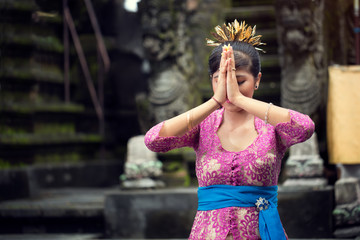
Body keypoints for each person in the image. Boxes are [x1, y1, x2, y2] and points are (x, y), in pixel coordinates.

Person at [144, 20, 315, 240]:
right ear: (212, 81)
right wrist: (215, 101)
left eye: (239, 81)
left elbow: (305, 127)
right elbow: (153, 140)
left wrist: (238, 98)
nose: (229, 88)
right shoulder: (202, 126)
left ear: (257, 80)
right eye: (220, 80)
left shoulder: (272, 126)